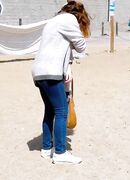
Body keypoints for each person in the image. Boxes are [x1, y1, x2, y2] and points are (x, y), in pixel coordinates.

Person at [31, 1, 90, 164]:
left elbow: (60, 47)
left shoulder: (53, 21)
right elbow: (81, 46)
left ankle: (46, 148)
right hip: (51, 71)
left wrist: (68, 66)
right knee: (62, 111)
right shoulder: (70, 20)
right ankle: (60, 153)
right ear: (78, 15)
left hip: (38, 72)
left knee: (50, 110)